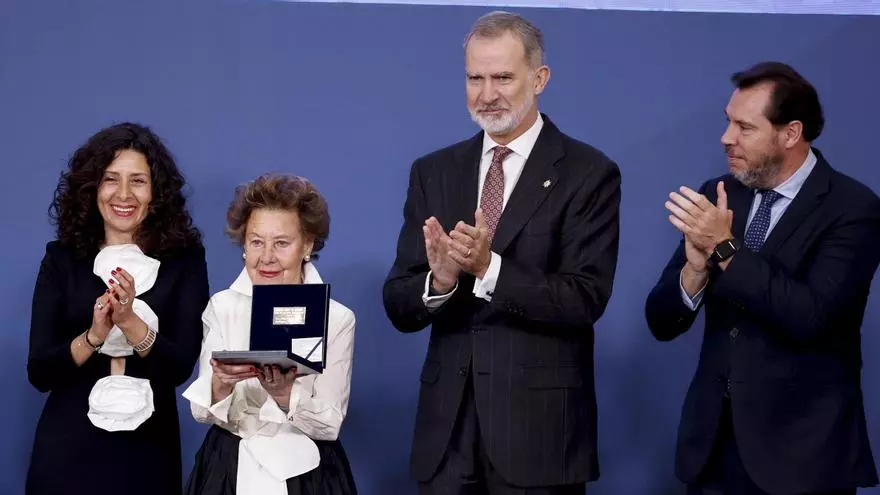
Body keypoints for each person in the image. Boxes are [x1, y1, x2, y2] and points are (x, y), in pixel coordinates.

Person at [382, 11, 621, 494]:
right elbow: (399, 303)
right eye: (475, 78)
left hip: (538, 438)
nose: (487, 94)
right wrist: (440, 282)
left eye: (503, 78)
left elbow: (584, 298)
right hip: (447, 440)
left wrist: (488, 268)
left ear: (540, 78)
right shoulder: (434, 171)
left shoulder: (588, 173)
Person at [645, 61, 880, 495]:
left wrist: (724, 249)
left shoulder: (852, 208)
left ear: (790, 134)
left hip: (802, 456)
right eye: (728, 122)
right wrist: (694, 271)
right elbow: (661, 322)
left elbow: (811, 316)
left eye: (744, 127)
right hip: (712, 451)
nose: (726, 138)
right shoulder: (719, 194)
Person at [25, 122, 210, 495]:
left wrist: (129, 322)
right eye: (110, 179)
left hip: (148, 452)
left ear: (156, 191)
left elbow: (179, 368)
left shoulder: (184, 261)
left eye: (138, 181)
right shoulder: (62, 259)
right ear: (92, 187)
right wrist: (95, 335)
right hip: (68, 450)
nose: (123, 194)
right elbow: (40, 371)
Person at [183, 173, 357, 495]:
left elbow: (331, 423)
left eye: (281, 243)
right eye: (256, 242)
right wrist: (220, 385)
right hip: (228, 468)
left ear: (307, 245)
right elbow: (200, 411)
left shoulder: (337, 318)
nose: (266, 258)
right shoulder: (223, 306)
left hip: (307, 474)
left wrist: (285, 395)